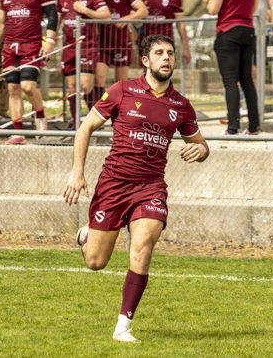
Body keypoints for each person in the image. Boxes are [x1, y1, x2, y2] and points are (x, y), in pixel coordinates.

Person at [63, 34, 209, 343]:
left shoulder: (181, 105)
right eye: (159, 53)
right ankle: (86, 235)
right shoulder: (122, 90)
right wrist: (77, 173)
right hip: (114, 185)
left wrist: (201, 150)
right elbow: (85, 128)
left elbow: (201, 145)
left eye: (170, 53)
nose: (166, 58)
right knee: (95, 262)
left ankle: (123, 327)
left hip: (151, 188)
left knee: (142, 251)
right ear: (146, 60)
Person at [0, 0, 56, 145]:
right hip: (10, 48)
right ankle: (18, 132)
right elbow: (0, 22)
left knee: (28, 86)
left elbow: (52, 15)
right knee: (12, 88)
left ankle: (40, 116)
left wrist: (49, 41)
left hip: (31, 46)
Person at [203, 0, 260, 135]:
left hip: (228, 31)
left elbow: (213, 9)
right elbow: (254, 7)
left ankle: (233, 127)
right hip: (248, 29)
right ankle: (254, 127)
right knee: (247, 80)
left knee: (230, 81)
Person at [57, 0, 111, 128]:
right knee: (72, 87)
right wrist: (49, 41)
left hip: (87, 46)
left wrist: (85, 10)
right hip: (69, 47)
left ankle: (95, 122)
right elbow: (58, 20)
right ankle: (75, 124)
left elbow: (106, 16)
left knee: (86, 86)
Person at [95, 0, 148, 95]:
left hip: (122, 43)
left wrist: (127, 19)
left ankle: (119, 108)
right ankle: (99, 107)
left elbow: (143, 11)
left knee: (120, 84)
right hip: (102, 44)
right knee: (98, 80)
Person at [138, 0, 191, 65]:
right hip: (146, 43)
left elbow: (181, 24)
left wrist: (186, 48)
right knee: (147, 72)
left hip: (165, 44)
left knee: (165, 70)